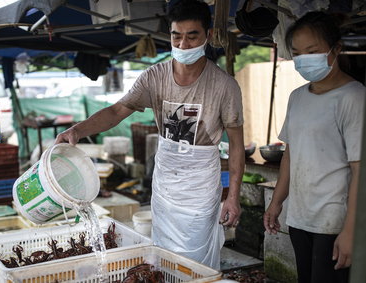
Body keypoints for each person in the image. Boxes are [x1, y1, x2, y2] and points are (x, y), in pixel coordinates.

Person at [56, 0, 245, 269]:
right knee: (163, 257)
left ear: (209, 36)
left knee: (195, 261)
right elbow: (117, 110)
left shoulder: (225, 86)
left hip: (200, 185)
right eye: (176, 36)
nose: (183, 45)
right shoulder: (154, 77)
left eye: (192, 37)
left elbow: (237, 146)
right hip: (166, 180)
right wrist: (77, 130)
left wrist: (233, 196)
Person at [263, 11, 365, 283]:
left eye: (313, 51)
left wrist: (351, 231)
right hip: (299, 218)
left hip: (335, 222)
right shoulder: (297, 97)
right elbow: (291, 156)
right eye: (297, 53)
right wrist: (276, 203)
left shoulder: (354, 97)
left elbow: (360, 170)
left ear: (336, 49)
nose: (304, 59)